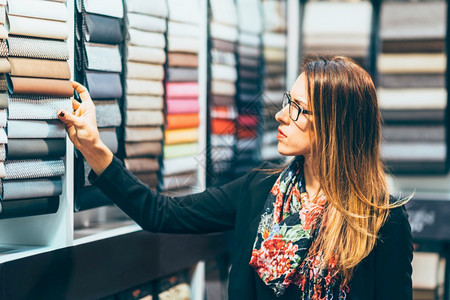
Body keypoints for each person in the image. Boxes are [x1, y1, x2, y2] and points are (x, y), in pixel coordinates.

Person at [58, 56, 413, 300]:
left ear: (336, 124)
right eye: (287, 101)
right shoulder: (260, 190)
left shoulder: (381, 219)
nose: (279, 115)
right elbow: (162, 213)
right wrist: (94, 147)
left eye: (298, 109)